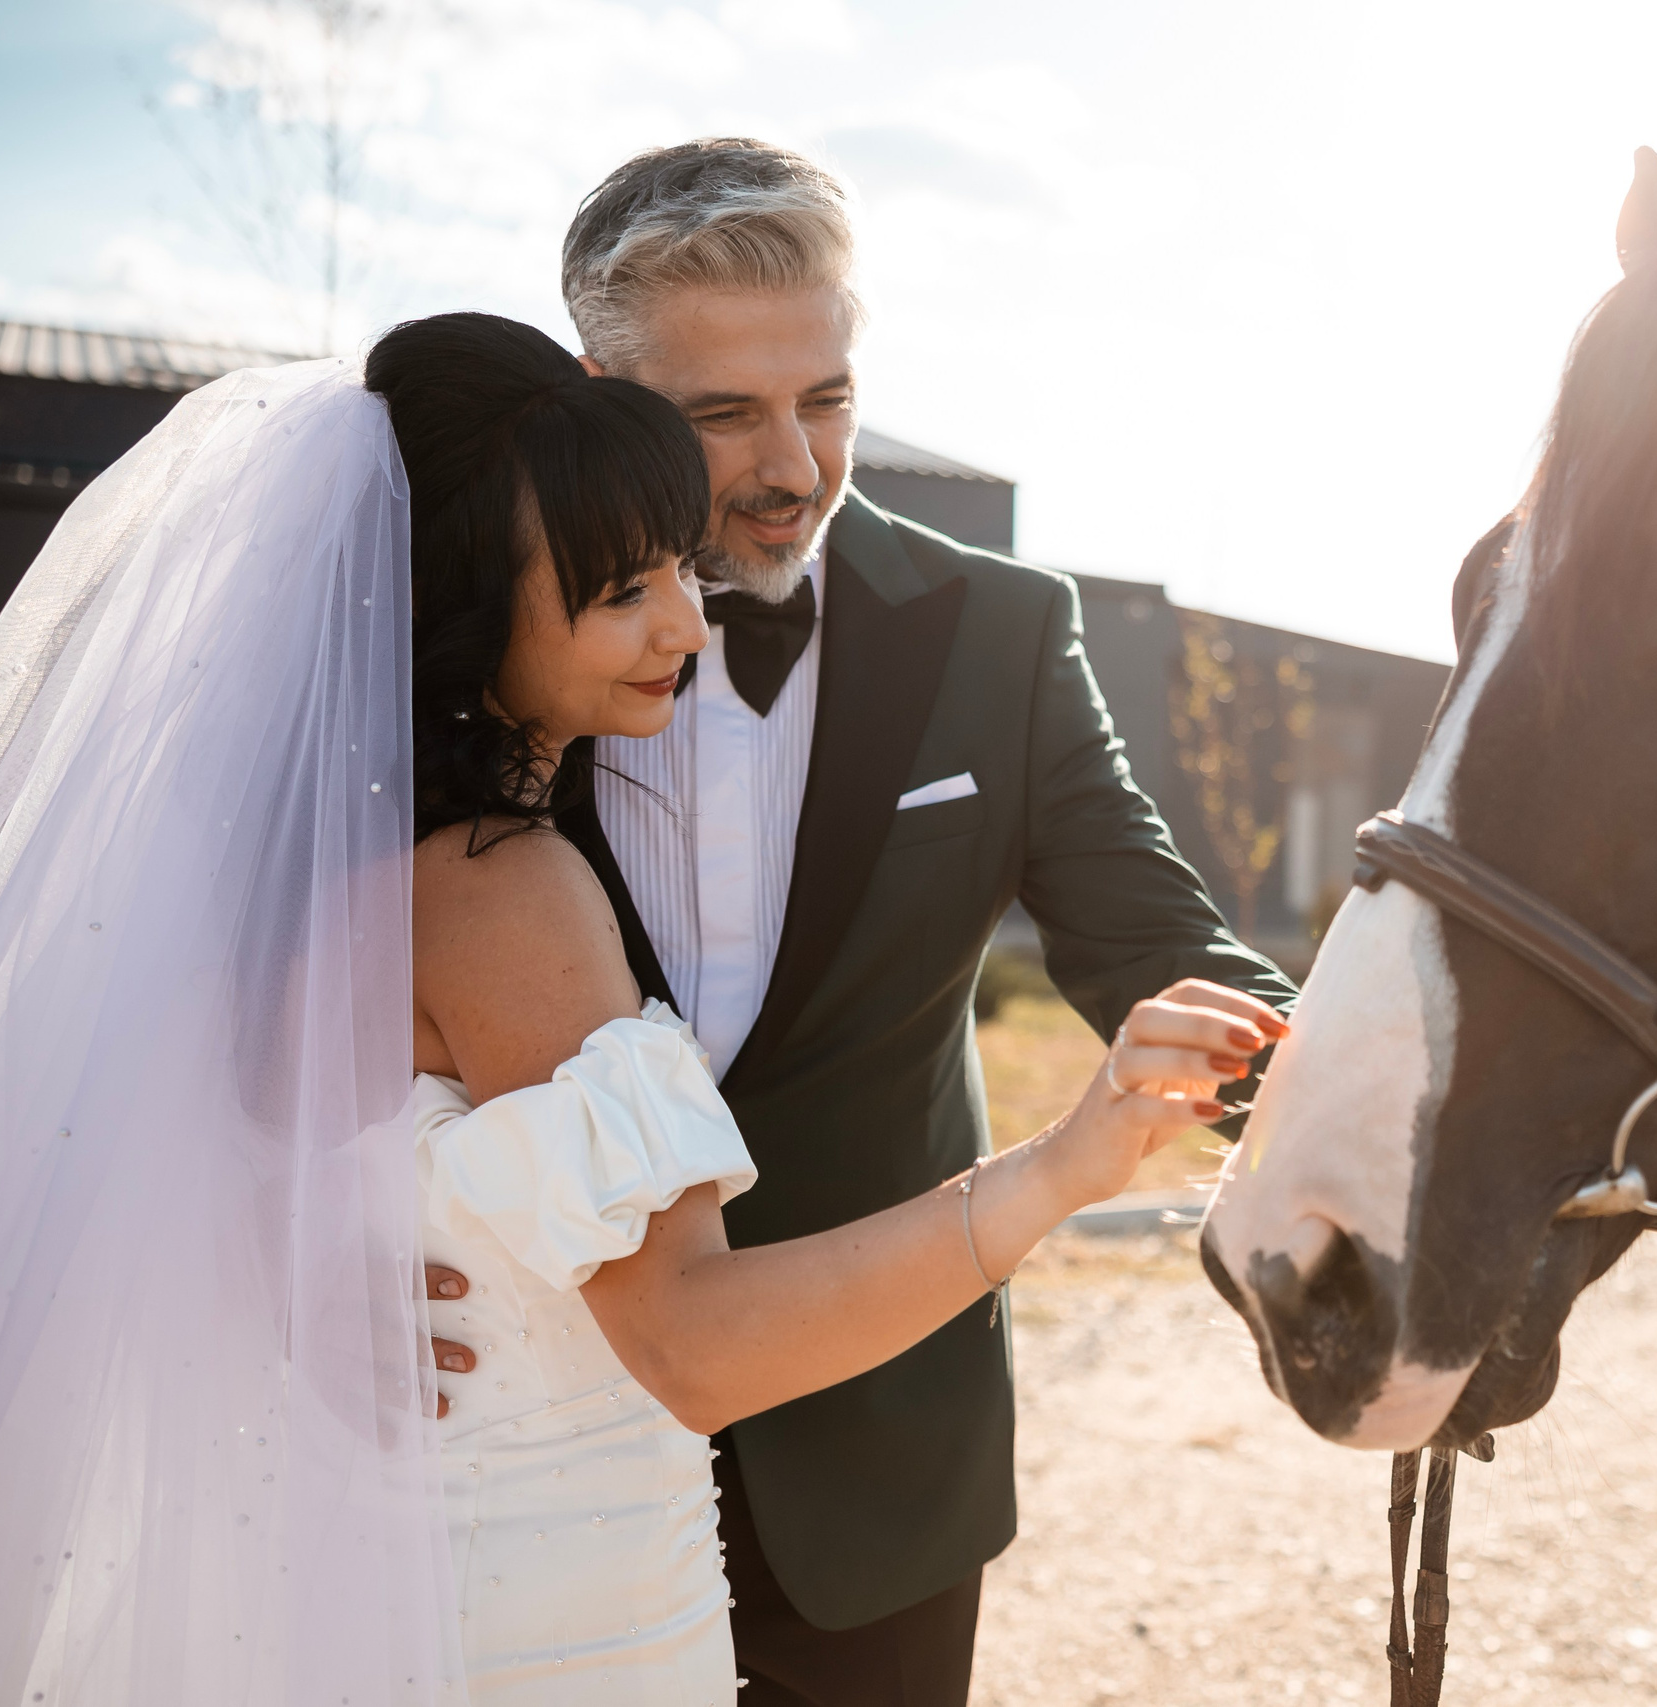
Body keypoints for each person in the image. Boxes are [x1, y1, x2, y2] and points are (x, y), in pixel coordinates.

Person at [0, 314, 1277, 1706]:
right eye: (621, 589)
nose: (690, 623)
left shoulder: (288, 879)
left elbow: (108, 1163)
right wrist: (1060, 1169)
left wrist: (282, 1273)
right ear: (461, 601)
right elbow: (694, 1344)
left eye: (678, 570)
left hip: (392, 1571)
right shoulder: (508, 892)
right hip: (557, 1624)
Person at [424, 139, 1298, 1704]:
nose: (791, 466)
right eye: (721, 415)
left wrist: (1352, 1093)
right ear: (598, 391)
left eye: (823, 399)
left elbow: (1159, 941)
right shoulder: (467, 645)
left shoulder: (1006, 633)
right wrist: (316, 1266)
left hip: (884, 1466)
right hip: (525, 1465)